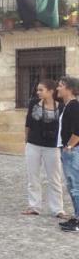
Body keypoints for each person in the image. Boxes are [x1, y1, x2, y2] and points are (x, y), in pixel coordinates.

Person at [22, 79, 65, 219]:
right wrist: (27, 140)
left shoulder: (61, 107)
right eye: (38, 90)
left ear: (51, 91)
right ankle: (34, 206)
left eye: (41, 90)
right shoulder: (34, 103)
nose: (38, 92)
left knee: (54, 178)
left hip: (52, 147)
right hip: (33, 144)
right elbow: (28, 122)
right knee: (33, 177)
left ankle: (58, 209)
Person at [57, 77, 79, 232]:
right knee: (72, 185)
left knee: (75, 186)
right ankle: (77, 217)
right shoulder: (67, 106)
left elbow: (78, 130)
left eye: (60, 86)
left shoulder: (74, 106)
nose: (58, 88)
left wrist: (70, 146)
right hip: (69, 150)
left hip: (73, 151)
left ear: (69, 88)